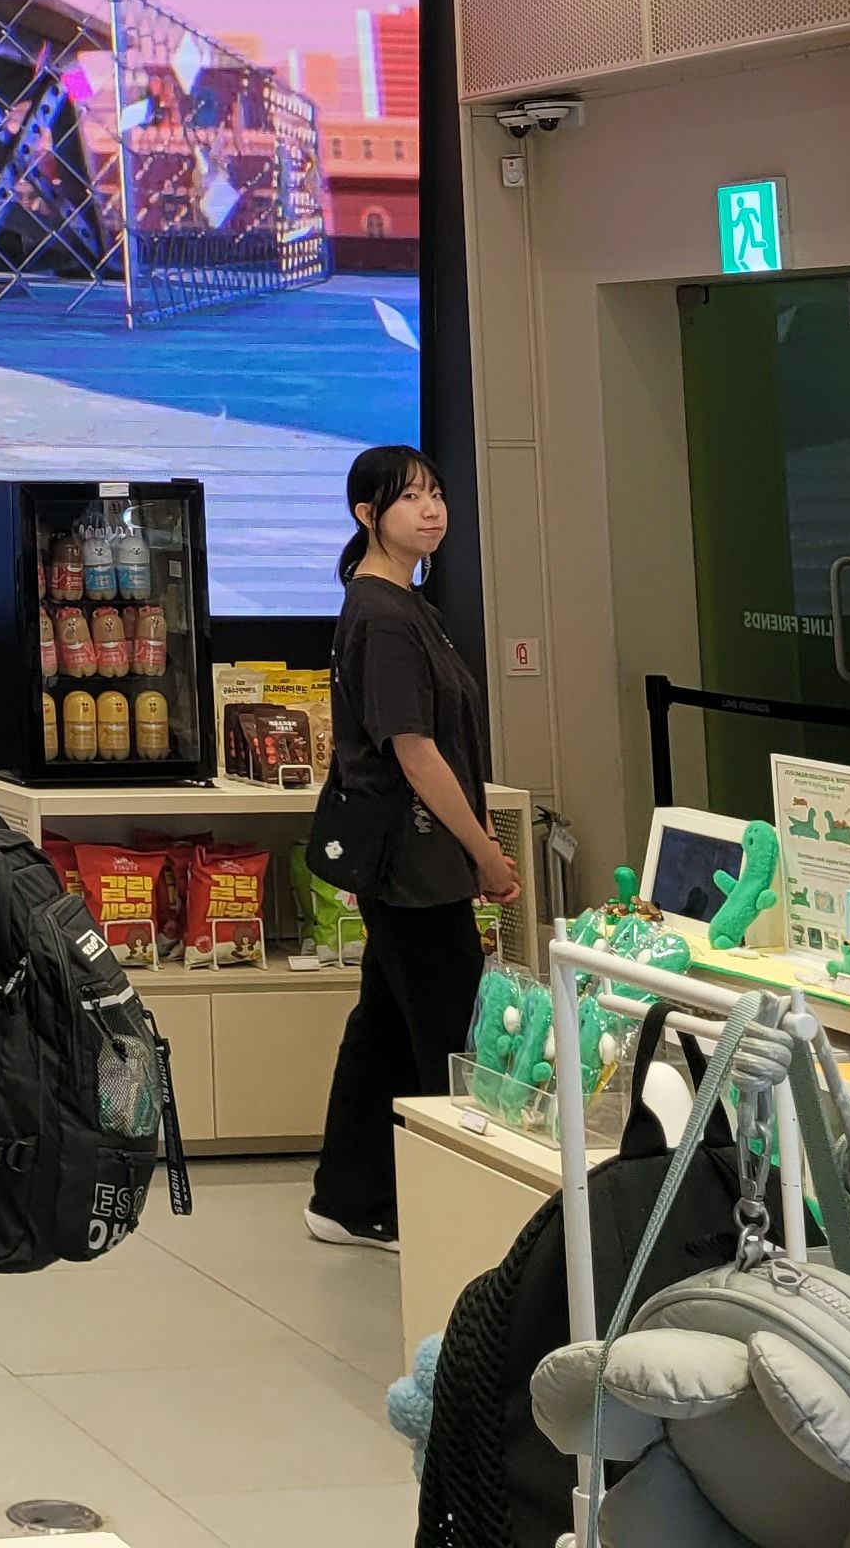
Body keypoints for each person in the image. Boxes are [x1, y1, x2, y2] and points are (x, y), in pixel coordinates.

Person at [307, 443, 519, 1249]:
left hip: (418, 854)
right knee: (450, 1034)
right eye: (408, 498)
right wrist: (485, 852)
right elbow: (416, 754)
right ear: (367, 514)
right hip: (414, 858)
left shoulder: (400, 602)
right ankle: (460, 1215)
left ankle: (348, 1198)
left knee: (387, 1027)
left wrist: (479, 839)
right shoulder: (384, 614)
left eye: (436, 493)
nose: (431, 510)